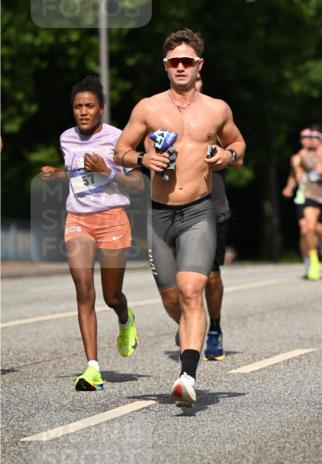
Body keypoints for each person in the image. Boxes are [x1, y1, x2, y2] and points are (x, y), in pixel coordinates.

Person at [114, 29, 246, 406]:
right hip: (158, 215)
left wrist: (228, 157)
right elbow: (120, 149)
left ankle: (187, 375)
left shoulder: (216, 109)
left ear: (199, 65)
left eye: (188, 61)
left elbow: (239, 144)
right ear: (166, 67)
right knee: (172, 299)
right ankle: (192, 330)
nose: (182, 67)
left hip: (198, 211)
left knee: (192, 292)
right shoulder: (148, 108)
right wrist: (142, 160)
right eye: (175, 62)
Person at [40, 76, 143, 391]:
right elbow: (77, 174)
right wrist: (59, 174)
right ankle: (92, 368)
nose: (83, 112)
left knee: (111, 295)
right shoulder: (66, 138)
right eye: (77, 106)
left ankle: (126, 320)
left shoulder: (119, 138)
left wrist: (108, 171)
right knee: (84, 288)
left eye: (89, 106)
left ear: (101, 109)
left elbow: (138, 184)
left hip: (113, 219)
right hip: (78, 219)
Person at [193, 73, 230, 360]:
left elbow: (237, 151)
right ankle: (190, 322)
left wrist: (225, 154)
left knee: (211, 276)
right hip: (174, 206)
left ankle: (214, 328)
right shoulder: (161, 115)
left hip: (212, 204)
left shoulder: (215, 114)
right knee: (179, 279)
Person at [295, 126, 322, 281]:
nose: (312, 139)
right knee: (309, 227)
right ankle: (313, 261)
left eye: (315, 136)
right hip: (311, 194)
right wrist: (299, 176)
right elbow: (298, 172)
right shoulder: (304, 154)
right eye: (310, 136)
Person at [282, 129, 322, 278]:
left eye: (309, 136)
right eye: (304, 137)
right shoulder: (297, 157)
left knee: (320, 229)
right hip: (303, 197)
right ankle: (309, 263)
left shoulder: (320, 155)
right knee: (304, 229)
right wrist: (289, 187)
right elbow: (294, 177)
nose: (307, 139)